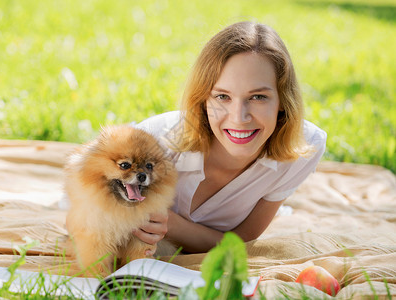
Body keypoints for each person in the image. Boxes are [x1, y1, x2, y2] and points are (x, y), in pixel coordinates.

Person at [133, 21, 327, 254]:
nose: (239, 117)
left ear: (283, 102)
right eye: (223, 96)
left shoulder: (304, 147)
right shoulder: (153, 141)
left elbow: (240, 244)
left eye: (258, 97)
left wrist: (170, 224)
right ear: (203, 100)